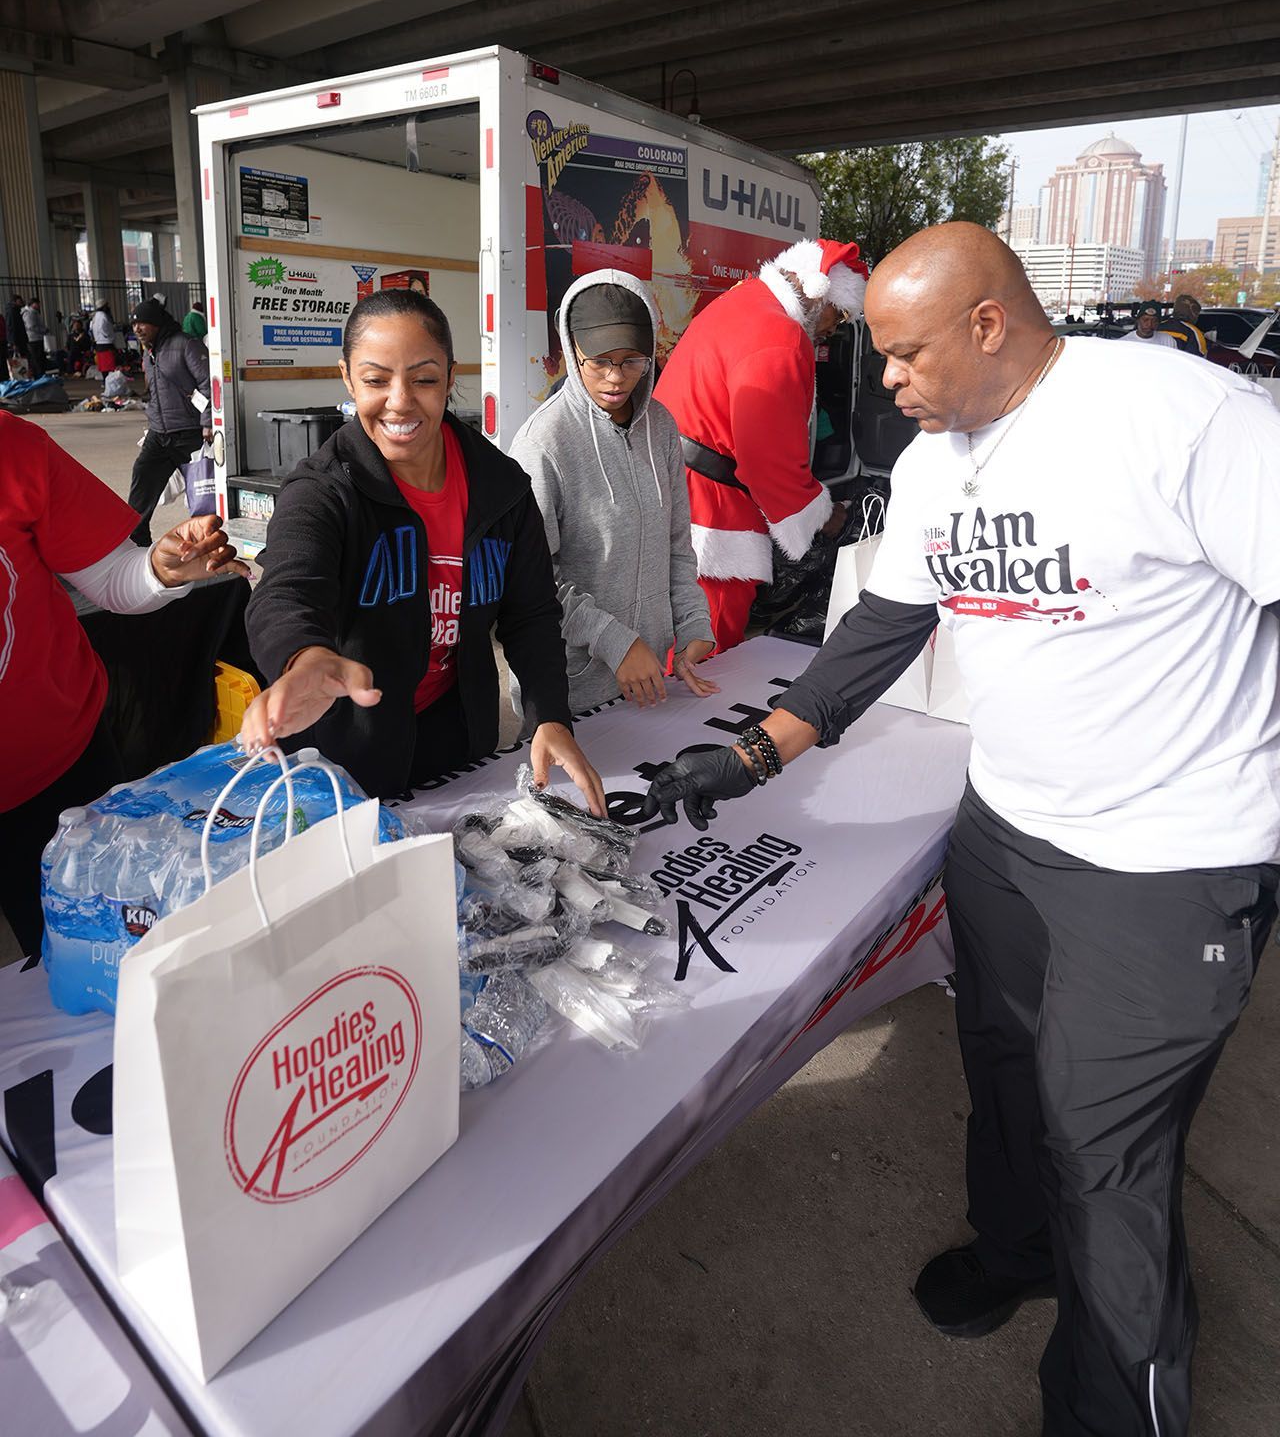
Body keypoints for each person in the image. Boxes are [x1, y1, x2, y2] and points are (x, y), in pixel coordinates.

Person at [642, 222, 1280, 1437]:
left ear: (988, 325)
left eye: (902, 355)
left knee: (1107, 1160)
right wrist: (744, 755)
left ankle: (1110, 1411)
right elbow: (876, 641)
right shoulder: (939, 454)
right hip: (1004, 831)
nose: (882, 381)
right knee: (998, 1069)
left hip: (1165, 865)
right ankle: (1014, 1248)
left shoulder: (1188, 420)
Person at [240, 288, 605, 811]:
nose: (400, 400)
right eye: (374, 380)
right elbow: (286, 588)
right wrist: (307, 658)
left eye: (425, 379)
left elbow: (531, 615)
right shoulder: (323, 490)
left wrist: (550, 715)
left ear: (452, 378)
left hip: (456, 738)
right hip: (342, 755)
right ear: (346, 377)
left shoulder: (501, 489)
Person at [0, 410, 247, 957]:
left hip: (59, 781)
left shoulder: (13, 448)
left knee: (101, 962)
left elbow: (113, 578)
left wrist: (162, 572)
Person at [509, 270, 716, 715]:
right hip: (567, 690)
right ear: (572, 350)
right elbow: (529, 581)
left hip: (648, 680)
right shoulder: (543, 443)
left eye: (631, 361)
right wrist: (614, 641)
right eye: (599, 361)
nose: (616, 378)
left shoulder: (660, 427)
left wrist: (694, 623)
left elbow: (677, 546)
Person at [656, 237, 870, 651]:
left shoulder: (744, 301)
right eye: (838, 315)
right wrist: (824, 516)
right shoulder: (781, 337)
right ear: (816, 292)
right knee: (707, 649)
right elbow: (768, 462)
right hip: (710, 509)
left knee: (673, 637)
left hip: (675, 486)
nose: (831, 329)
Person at [126, 296, 212, 545]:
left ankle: (210, 541)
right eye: (134, 325)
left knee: (202, 490)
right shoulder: (149, 354)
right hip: (159, 434)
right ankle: (137, 540)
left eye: (142, 323)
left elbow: (207, 383)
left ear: (157, 323)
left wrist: (207, 421)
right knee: (142, 482)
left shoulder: (186, 344)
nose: (137, 329)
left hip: (190, 432)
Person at [1160, 291, 1209, 355]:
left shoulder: (1155, 325)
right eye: (1197, 313)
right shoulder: (1193, 333)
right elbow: (1198, 359)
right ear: (1192, 312)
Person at [90, 299, 117, 375]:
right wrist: (108, 335)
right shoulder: (103, 316)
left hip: (99, 343)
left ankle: (105, 381)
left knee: (103, 366)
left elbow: (91, 327)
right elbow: (102, 327)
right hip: (106, 342)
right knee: (109, 365)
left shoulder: (95, 316)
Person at [21, 296, 46, 377]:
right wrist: (43, 330)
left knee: (39, 358)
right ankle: (39, 375)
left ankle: (40, 374)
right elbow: (31, 326)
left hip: (37, 338)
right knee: (37, 359)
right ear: (33, 304)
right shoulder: (29, 313)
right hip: (34, 339)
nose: (39, 305)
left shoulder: (33, 312)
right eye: (37, 303)